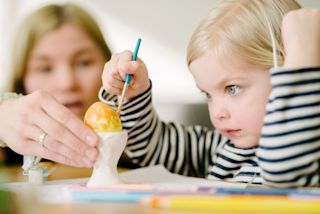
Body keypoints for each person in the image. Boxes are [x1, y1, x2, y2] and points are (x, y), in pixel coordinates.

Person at [100, 0, 320, 187]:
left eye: (232, 89)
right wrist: (133, 94)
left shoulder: (309, 153)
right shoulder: (222, 149)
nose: (217, 113)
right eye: (208, 94)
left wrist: (302, 59)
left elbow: (285, 168)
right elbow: (151, 147)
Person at [0, 3, 112, 167]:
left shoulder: (145, 146)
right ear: (21, 81)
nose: (67, 83)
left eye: (83, 63)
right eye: (45, 69)